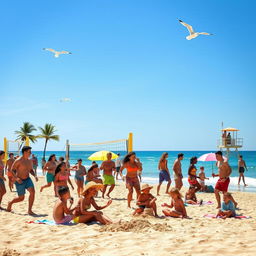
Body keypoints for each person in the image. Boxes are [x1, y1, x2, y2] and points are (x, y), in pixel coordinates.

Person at [7, 146, 38, 215]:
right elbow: (12, 170)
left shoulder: (30, 161)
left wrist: (35, 175)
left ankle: (29, 210)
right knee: (21, 198)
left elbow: (30, 170)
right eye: (29, 152)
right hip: (19, 180)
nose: (30, 153)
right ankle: (10, 203)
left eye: (30, 152)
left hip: (28, 179)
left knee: (32, 192)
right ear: (24, 152)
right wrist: (16, 178)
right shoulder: (18, 160)